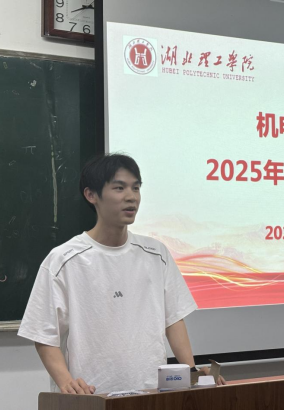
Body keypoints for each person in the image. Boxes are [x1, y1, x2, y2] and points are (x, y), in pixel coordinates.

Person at [18, 154, 225, 394]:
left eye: (136, 188)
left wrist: (191, 372)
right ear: (91, 195)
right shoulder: (63, 260)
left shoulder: (156, 254)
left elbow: (173, 320)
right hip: (91, 397)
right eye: (119, 188)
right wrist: (66, 382)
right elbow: (43, 334)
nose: (131, 197)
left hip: (150, 394)